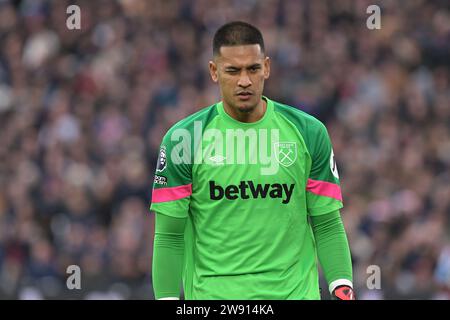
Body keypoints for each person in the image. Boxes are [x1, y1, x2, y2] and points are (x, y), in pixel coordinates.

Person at [150, 21, 354, 300]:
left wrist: (343, 290)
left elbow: (327, 223)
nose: (244, 80)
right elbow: (169, 236)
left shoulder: (308, 132)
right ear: (214, 71)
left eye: (253, 69)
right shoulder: (184, 140)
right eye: (233, 71)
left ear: (266, 68)